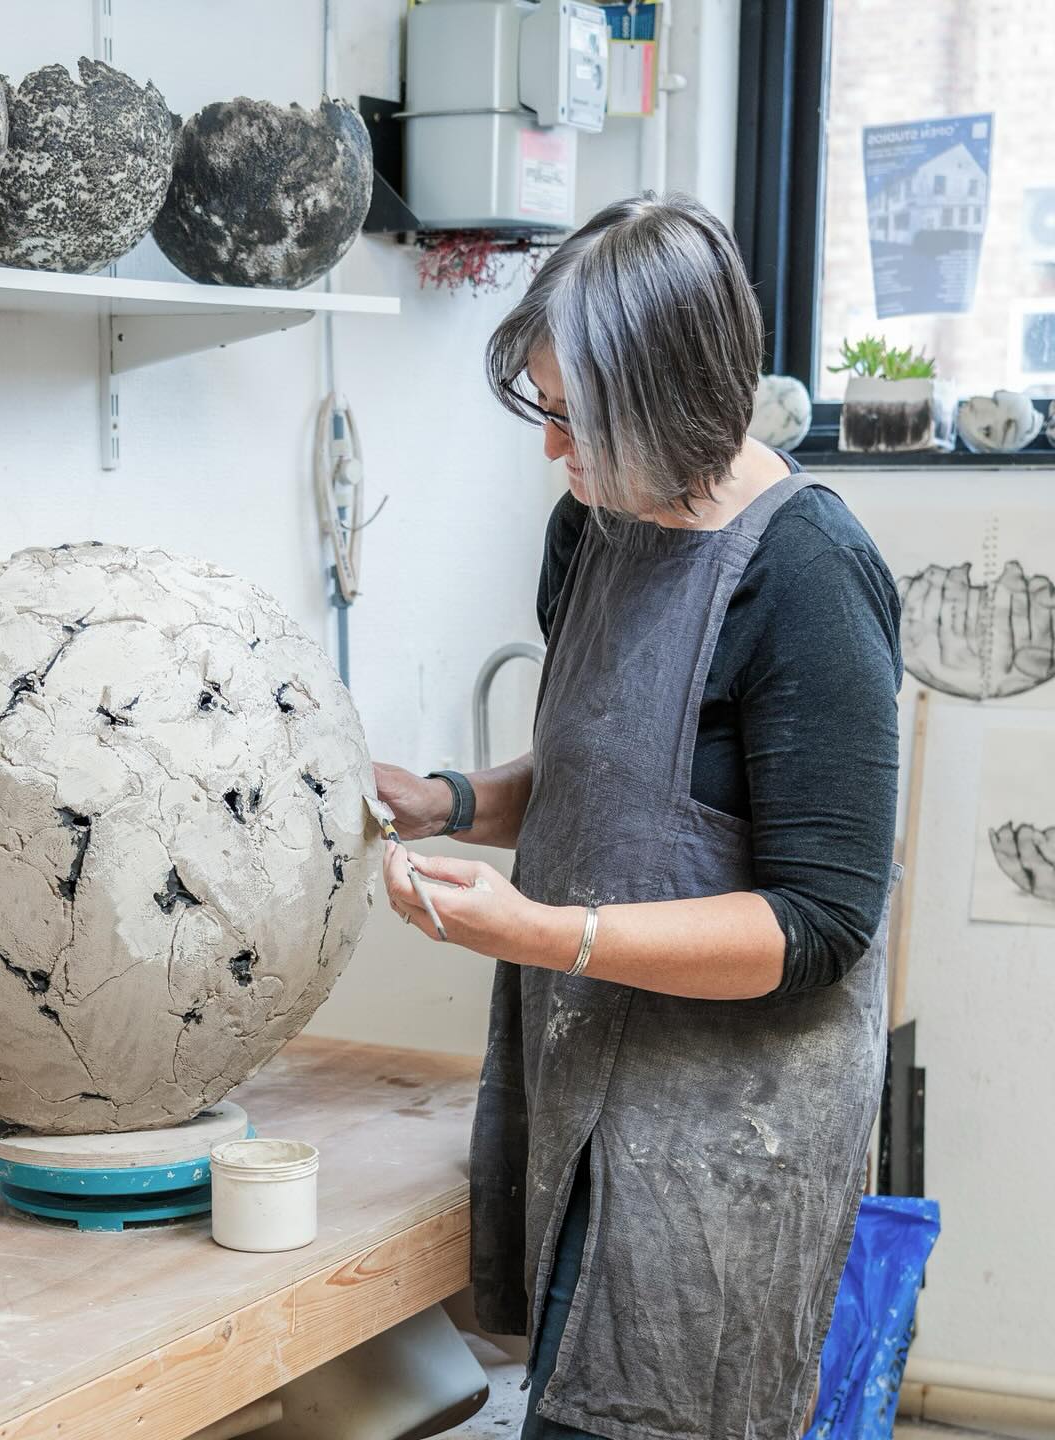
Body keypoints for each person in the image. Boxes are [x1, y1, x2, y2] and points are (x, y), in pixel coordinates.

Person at [377, 193, 902, 1440]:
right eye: (547, 413)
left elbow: (820, 921)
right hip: (584, 1068)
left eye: (578, 419)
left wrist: (549, 934)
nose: (555, 453)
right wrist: (454, 800)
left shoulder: (810, 575)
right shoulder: (591, 529)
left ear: (672, 401)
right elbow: (613, 780)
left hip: (731, 1122)